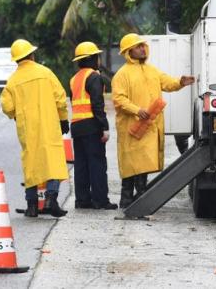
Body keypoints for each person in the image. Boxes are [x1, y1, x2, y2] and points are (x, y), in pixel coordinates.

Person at [112, 33, 195, 208]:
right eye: (138, 46)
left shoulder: (152, 70)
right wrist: (137, 110)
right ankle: (126, 199)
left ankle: (141, 197)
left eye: (143, 45)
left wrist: (180, 82)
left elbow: (167, 82)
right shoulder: (122, 75)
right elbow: (119, 99)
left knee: (145, 162)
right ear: (128, 51)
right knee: (130, 164)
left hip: (149, 126)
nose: (143, 48)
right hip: (131, 126)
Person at [0, 39, 69, 218]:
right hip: (49, 125)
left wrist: (16, 114)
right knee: (52, 161)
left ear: (16, 59)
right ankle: (50, 199)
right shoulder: (46, 73)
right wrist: (63, 119)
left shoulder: (13, 81)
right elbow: (60, 98)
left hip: (27, 129)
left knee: (31, 163)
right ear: (31, 54)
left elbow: (7, 106)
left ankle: (32, 205)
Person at [69, 41, 117, 210]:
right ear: (92, 59)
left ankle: (82, 200)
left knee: (81, 165)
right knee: (97, 163)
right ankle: (100, 200)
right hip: (91, 126)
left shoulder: (74, 79)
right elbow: (97, 104)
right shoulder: (94, 77)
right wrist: (104, 127)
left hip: (77, 126)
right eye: (97, 56)